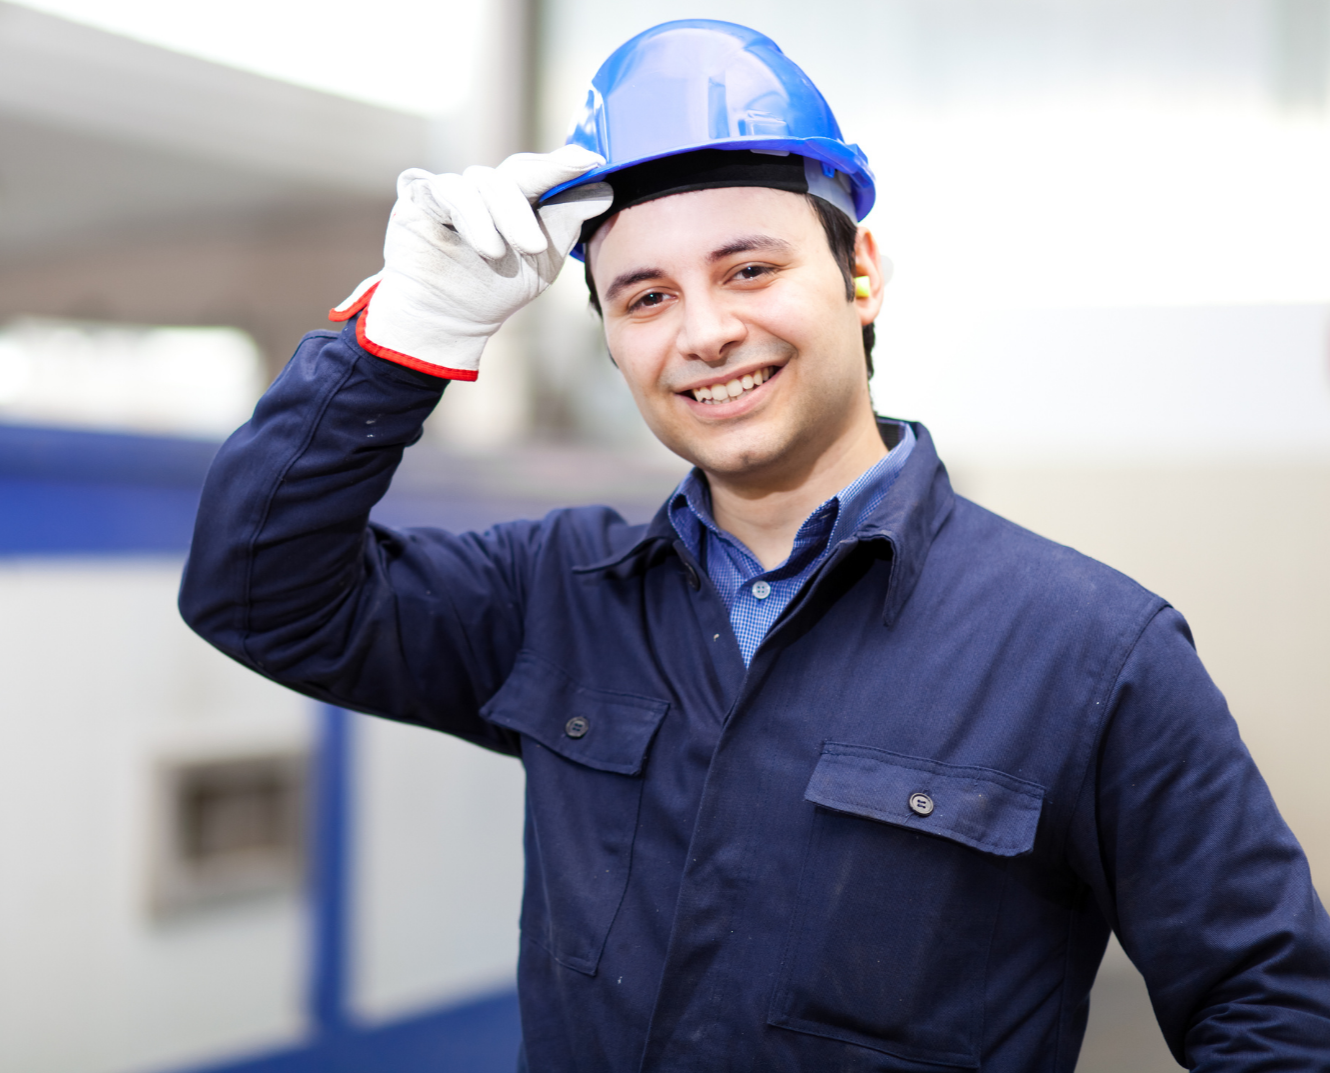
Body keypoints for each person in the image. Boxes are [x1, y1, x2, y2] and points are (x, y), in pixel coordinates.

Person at [180, 19, 1330, 1072]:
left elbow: (1272, 1008)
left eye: (751, 268)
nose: (706, 330)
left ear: (859, 273)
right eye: (643, 298)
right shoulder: (557, 596)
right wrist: (401, 338)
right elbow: (254, 589)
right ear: (614, 342)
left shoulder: (1089, 649)